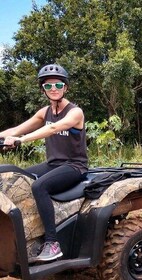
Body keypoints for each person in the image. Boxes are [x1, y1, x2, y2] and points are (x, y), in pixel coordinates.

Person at [0, 64, 88, 262]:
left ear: (66, 87)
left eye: (58, 84)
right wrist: (5, 137)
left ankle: (52, 243)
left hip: (74, 166)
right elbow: (17, 129)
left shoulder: (75, 112)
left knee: (39, 186)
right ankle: (23, 235)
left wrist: (21, 140)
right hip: (53, 163)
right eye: (48, 86)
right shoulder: (44, 112)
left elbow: (53, 129)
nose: (54, 89)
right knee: (17, 179)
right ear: (43, 90)